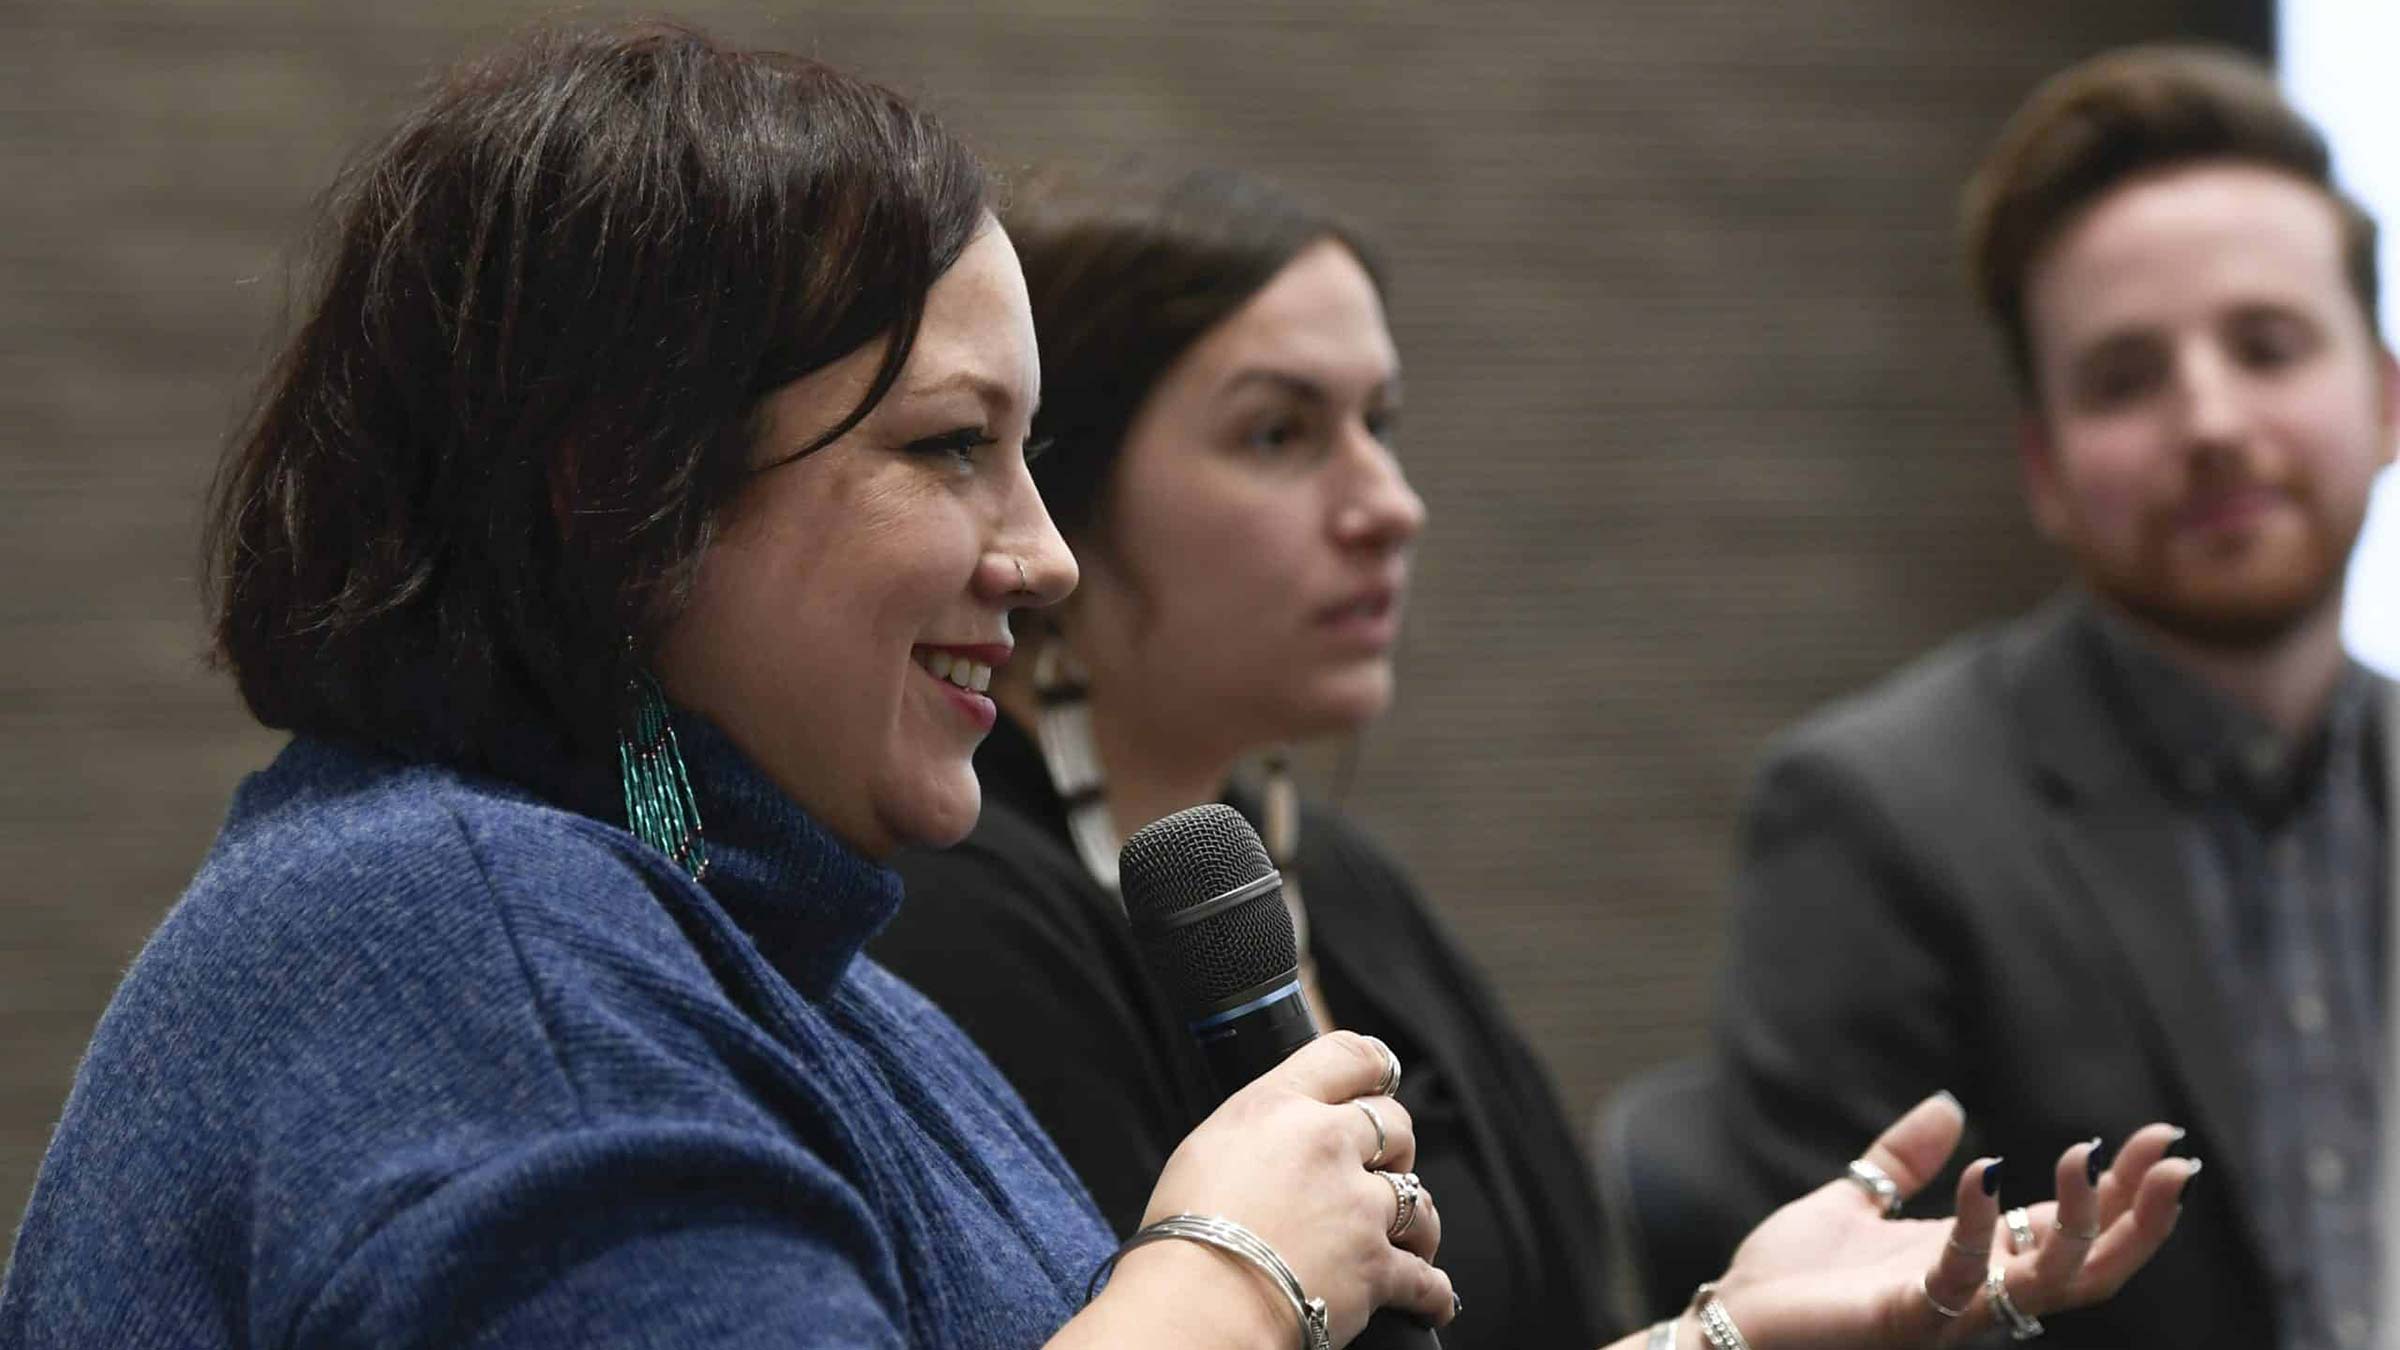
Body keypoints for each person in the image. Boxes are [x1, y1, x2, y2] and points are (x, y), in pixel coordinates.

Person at [0, 20, 2189, 1350]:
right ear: (621, 489)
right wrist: (1233, 1268)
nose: (1035, 555)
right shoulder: (478, 940)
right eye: (953, 450)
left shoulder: (770, 957)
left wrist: (1722, 1327)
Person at [869, 163, 2195, 1347]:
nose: (1389, 505)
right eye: (1281, 434)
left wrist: (1729, 1328)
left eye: (1380, 425)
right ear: (1066, 494)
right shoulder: (959, 916)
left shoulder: (1325, 871)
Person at [1711, 44, 2393, 1350]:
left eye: (2269, 345)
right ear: (2045, 467)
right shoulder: (1871, 820)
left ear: (2384, 399)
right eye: (2125, 377)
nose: (2208, 418)